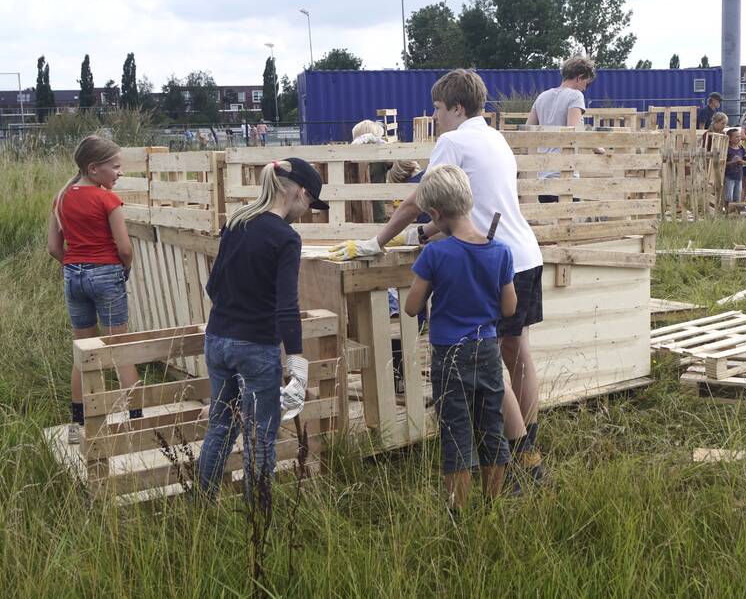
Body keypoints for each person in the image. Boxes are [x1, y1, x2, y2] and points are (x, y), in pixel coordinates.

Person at [329, 70, 548, 484]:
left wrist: (378, 241)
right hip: (523, 253)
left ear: (457, 108)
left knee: (489, 360)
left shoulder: (454, 141)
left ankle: (522, 458)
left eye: (438, 108)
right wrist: (424, 234)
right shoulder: (496, 138)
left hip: (489, 257)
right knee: (518, 355)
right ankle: (529, 448)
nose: (435, 116)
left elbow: (419, 200)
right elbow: (474, 205)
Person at [195, 157, 330, 499]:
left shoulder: (237, 223)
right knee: (260, 436)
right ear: (300, 193)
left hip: (218, 339)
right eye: (310, 204)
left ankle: (202, 505)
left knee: (220, 427)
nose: (306, 212)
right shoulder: (286, 237)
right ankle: (259, 514)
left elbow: (212, 286)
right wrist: (296, 361)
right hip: (255, 346)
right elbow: (287, 305)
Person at [404, 164, 516, 513]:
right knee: (491, 425)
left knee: (456, 431)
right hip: (487, 350)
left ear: (436, 214)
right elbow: (509, 307)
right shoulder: (500, 251)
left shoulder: (435, 254)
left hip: (450, 355)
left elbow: (411, 307)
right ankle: (492, 505)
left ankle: (458, 511)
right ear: (468, 200)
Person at [47, 135, 142, 445]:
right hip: (106, 274)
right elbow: (124, 248)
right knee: (120, 349)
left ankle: (77, 426)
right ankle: (137, 422)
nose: (120, 172)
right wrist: (124, 268)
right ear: (93, 168)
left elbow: (53, 248)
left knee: (84, 352)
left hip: (73, 276)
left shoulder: (61, 198)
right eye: (115, 167)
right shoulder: (107, 199)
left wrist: (75, 265)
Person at [527, 56, 598, 201]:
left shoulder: (542, 96)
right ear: (579, 77)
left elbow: (528, 129)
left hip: (544, 174)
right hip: (565, 175)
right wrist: (597, 148)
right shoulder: (575, 96)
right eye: (586, 83)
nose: (585, 88)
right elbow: (573, 132)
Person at [723, 128, 746, 204]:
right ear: (730, 139)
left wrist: (742, 162)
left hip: (739, 176)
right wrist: (732, 162)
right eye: (736, 137)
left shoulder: (741, 148)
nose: (739, 138)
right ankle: (728, 210)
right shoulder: (727, 149)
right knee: (729, 197)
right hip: (729, 176)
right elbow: (723, 163)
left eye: (739, 136)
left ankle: (736, 210)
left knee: (737, 197)